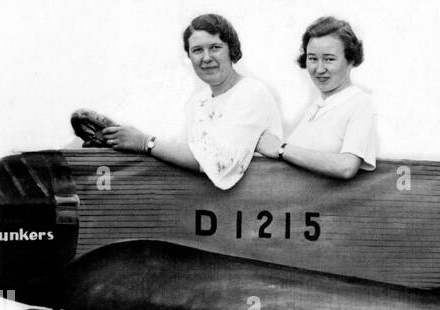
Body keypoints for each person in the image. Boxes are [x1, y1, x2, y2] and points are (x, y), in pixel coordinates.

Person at [102, 14, 282, 190]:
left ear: (231, 50)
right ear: (189, 56)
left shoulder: (252, 92)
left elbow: (221, 164)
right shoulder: (199, 101)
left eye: (215, 47)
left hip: (254, 203)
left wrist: (146, 143)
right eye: (197, 50)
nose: (206, 58)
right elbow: (182, 153)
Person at [258, 17, 377, 179]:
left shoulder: (360, 103)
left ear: (350, 61)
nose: (319, 69)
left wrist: (281, 149)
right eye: (313, 58)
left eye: (329, 59)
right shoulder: (317, 106)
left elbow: (347, 167)